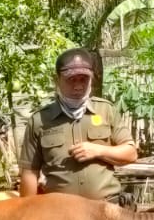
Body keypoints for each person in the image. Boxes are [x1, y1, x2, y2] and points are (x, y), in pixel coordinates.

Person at [18, 48, 137, 202]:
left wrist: (98, 150)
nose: (78, 86)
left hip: (106, 211)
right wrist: (28, 213)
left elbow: (131, 153)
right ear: (56, 79)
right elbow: (29, 173)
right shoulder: (40, 120)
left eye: (83, 79)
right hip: (60, 214)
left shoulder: (106, 110)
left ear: (92, 78)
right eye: (71, 79)